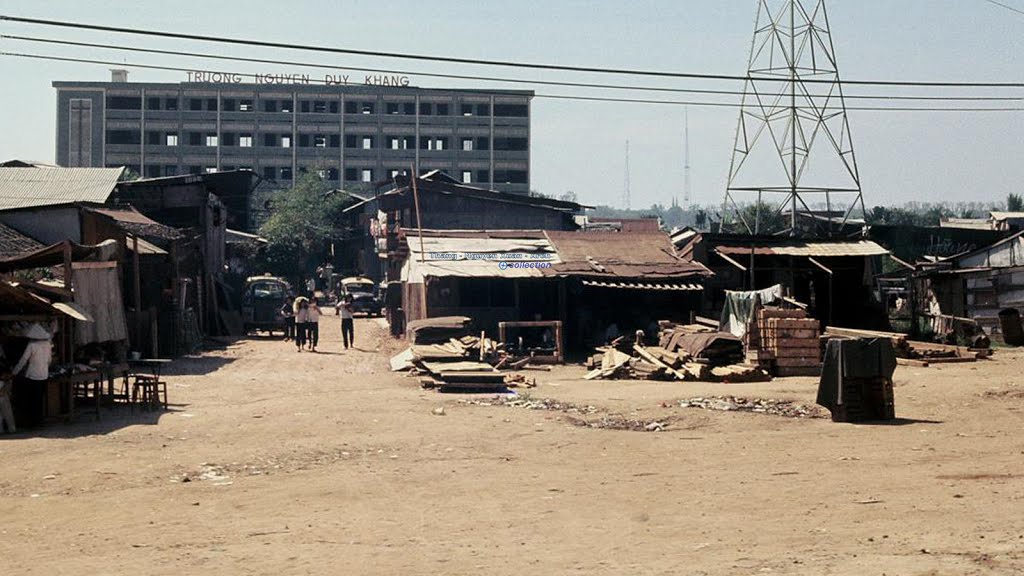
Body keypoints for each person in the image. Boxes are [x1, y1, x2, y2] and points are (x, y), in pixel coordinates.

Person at [11, 323, 52, 428]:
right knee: (39, 400)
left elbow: (24, 360)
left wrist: (14, 372)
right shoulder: (48, 344)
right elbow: (49, 360)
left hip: (33, 376)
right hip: (44, 375)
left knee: (31, 400)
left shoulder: (32, 345)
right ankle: (39, 421)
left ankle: (33, 423)